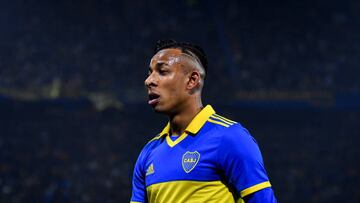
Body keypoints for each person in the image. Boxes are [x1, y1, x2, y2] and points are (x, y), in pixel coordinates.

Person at [130, 39, 277, 203]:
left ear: (192, 80)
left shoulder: (229, 137)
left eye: (162, 72)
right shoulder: (148, 153)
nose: (149, 80)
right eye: (150, 73)